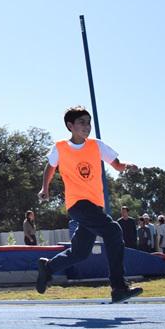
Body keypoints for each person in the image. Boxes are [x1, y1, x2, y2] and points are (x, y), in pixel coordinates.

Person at [36, 106, 142, 303]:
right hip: (77, 203)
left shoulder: (96, 145)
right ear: (70, 126)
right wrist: (45, 189)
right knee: (113, 230)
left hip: (95, 205)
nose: (87, 126)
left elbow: (117, 165)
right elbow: (50, 167)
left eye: (88, 122)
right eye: (82, 122)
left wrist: (128, 166)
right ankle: (118, 286)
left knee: (80, 252)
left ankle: (48, 268)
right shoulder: (60, 147)